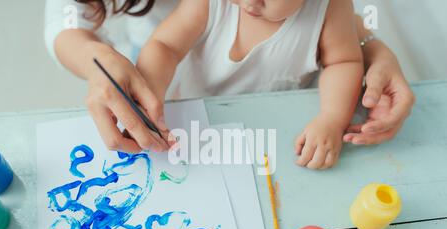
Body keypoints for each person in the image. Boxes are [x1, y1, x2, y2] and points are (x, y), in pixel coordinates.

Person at [45, 0, 415, 158]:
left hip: (277, 118)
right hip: (197, 106)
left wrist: (332, 119)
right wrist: (149, 89)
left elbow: (344, 60)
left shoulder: (331, 8)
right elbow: (165, 46)